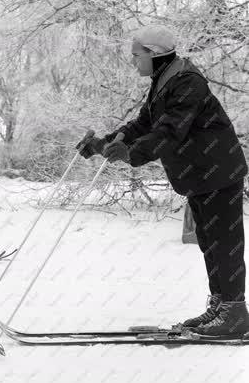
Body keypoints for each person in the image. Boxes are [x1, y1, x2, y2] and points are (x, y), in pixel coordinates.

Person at [77, 25, 248, 337]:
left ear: (154, 55)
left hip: (218, 172)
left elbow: (171, 130)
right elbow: (146, 122)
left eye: (136, 55)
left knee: (225, 242)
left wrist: (132, 154)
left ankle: (235, 313)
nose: (133, 62)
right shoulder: (165, 80)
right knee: (210, 243)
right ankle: (221, 306)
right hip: (199, 175)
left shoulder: (187, 82)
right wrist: (111, 140)